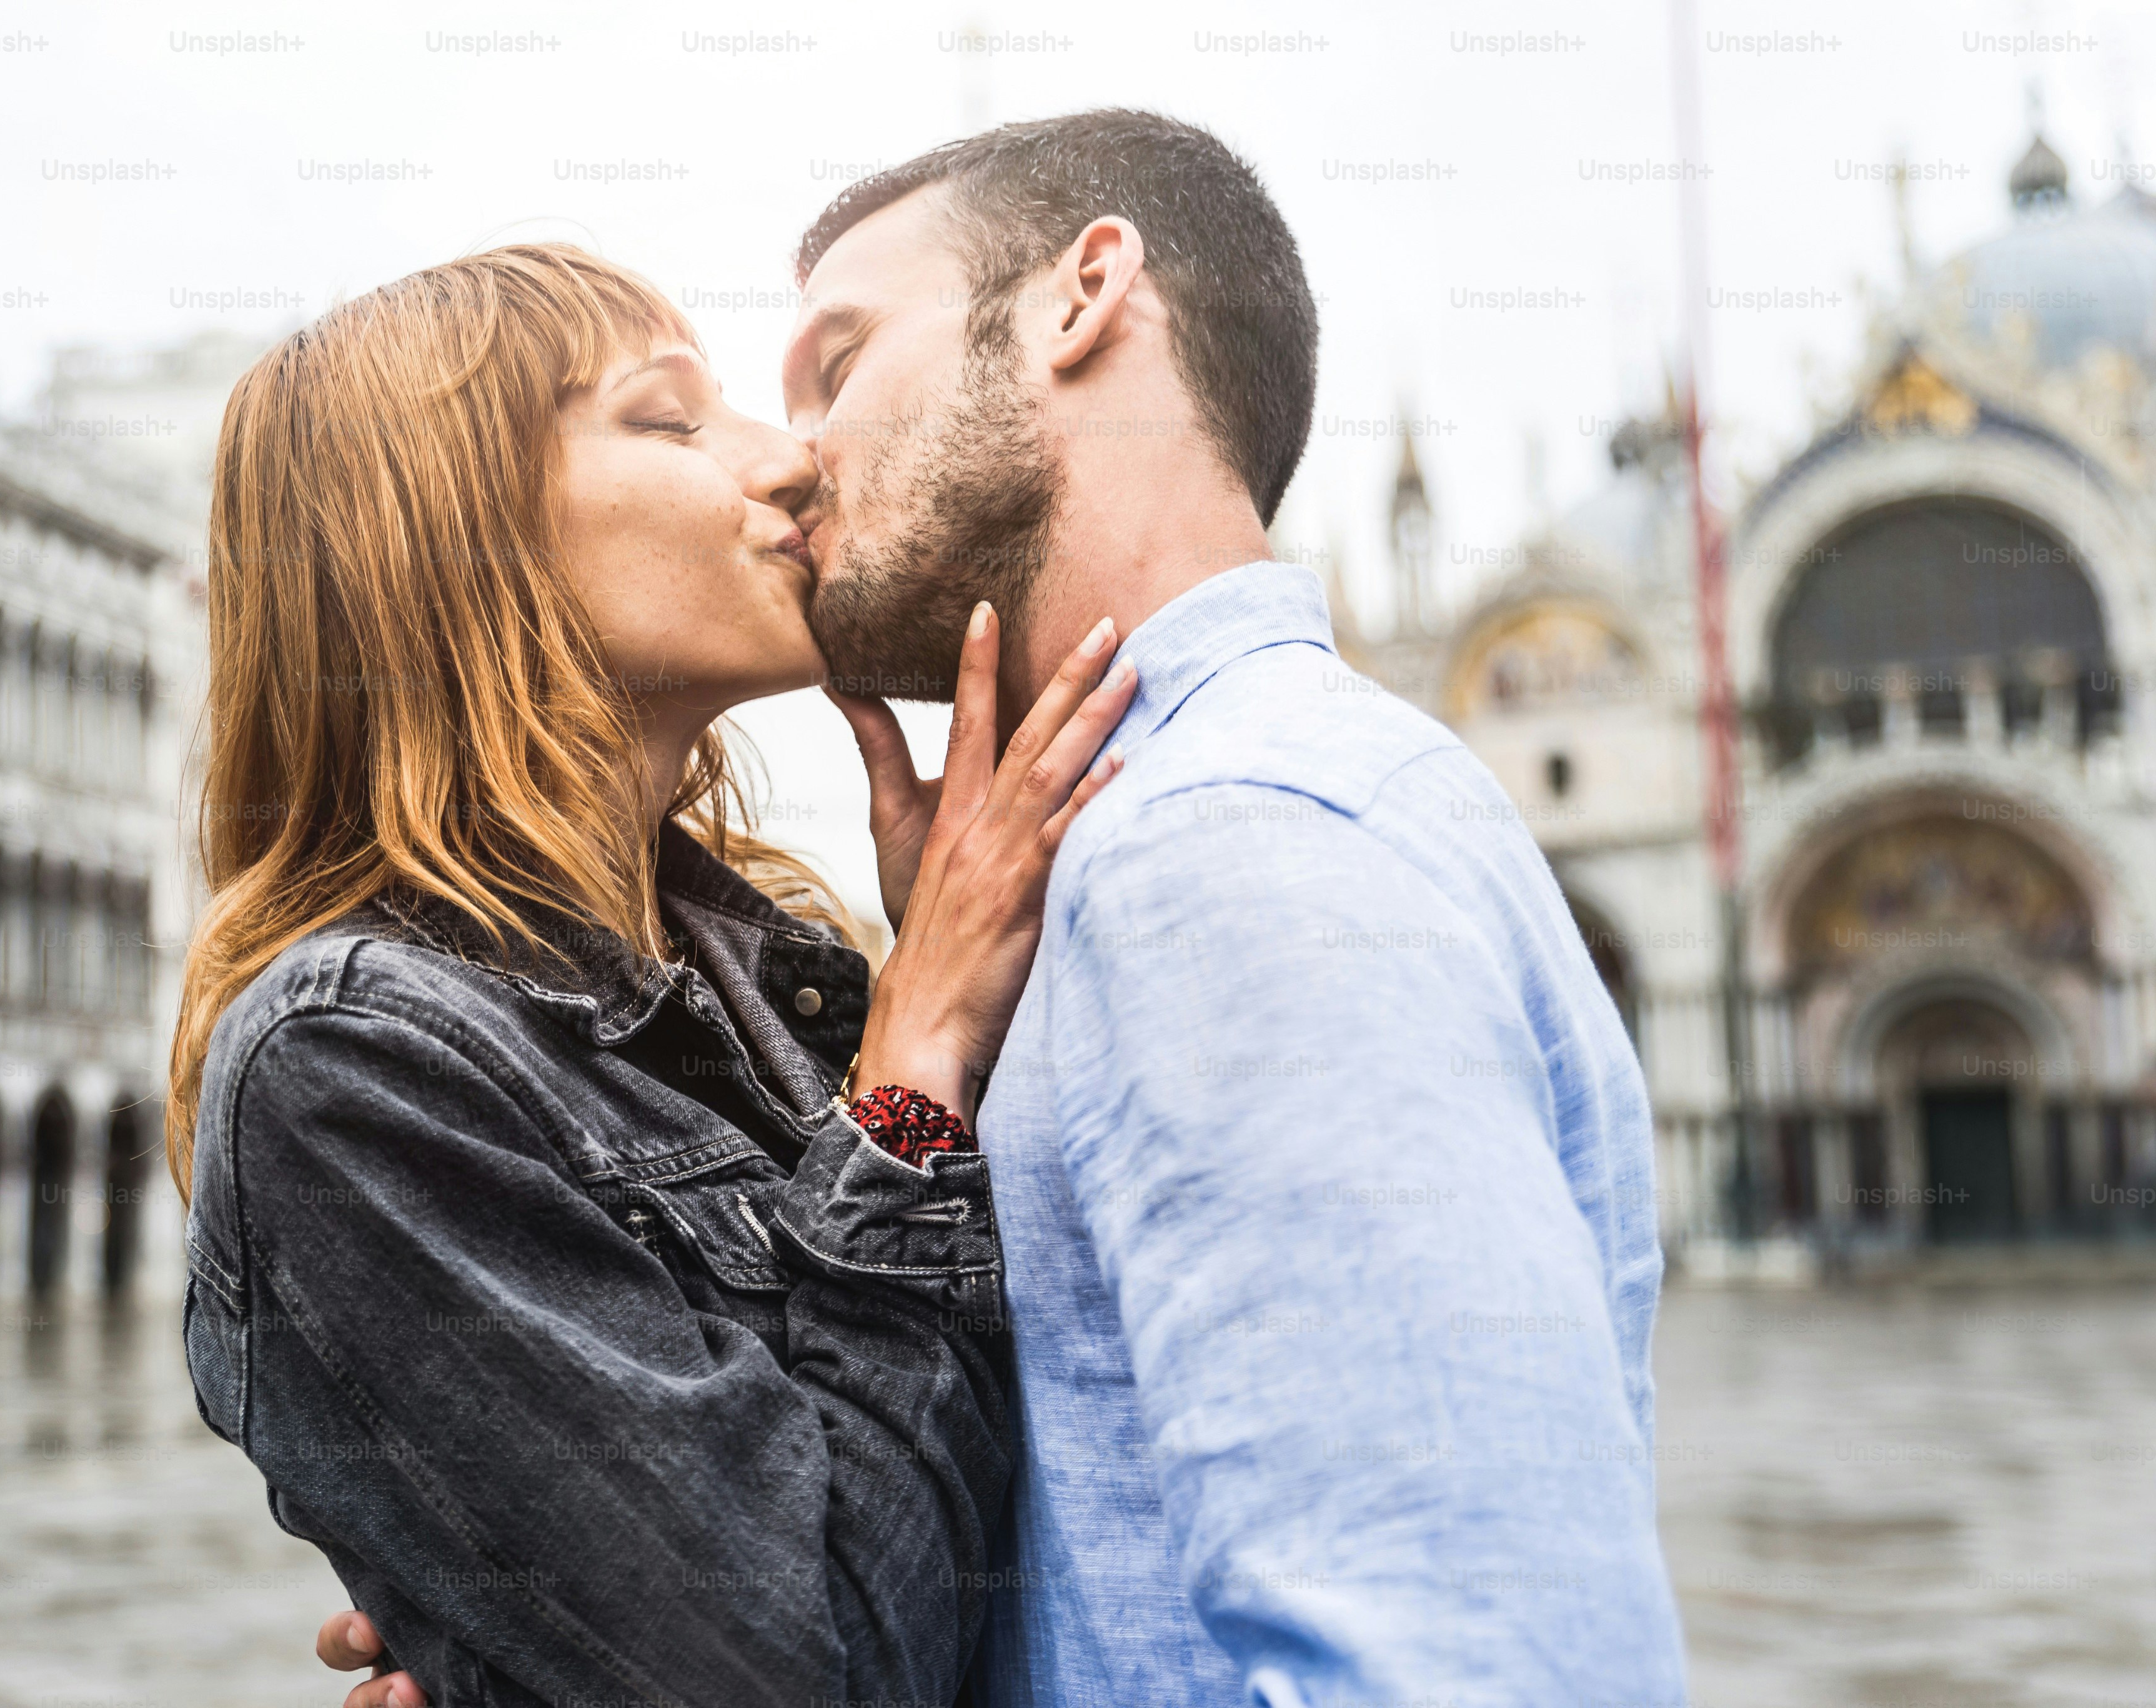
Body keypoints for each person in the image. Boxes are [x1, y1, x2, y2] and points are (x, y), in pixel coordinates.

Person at [324, 111, 1689, 1708]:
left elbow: (1470, 1670)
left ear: (1079, 297)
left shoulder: (1225, 848)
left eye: (836, 363)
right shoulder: (1125, 861)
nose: (795, 454)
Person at [176, 244, 1136, 1708]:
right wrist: (920, 1052)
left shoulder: (778, 978)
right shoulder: (347, 1062)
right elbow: (807, 1669)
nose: (794, 461)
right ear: (461, 537)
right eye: (675, 422)